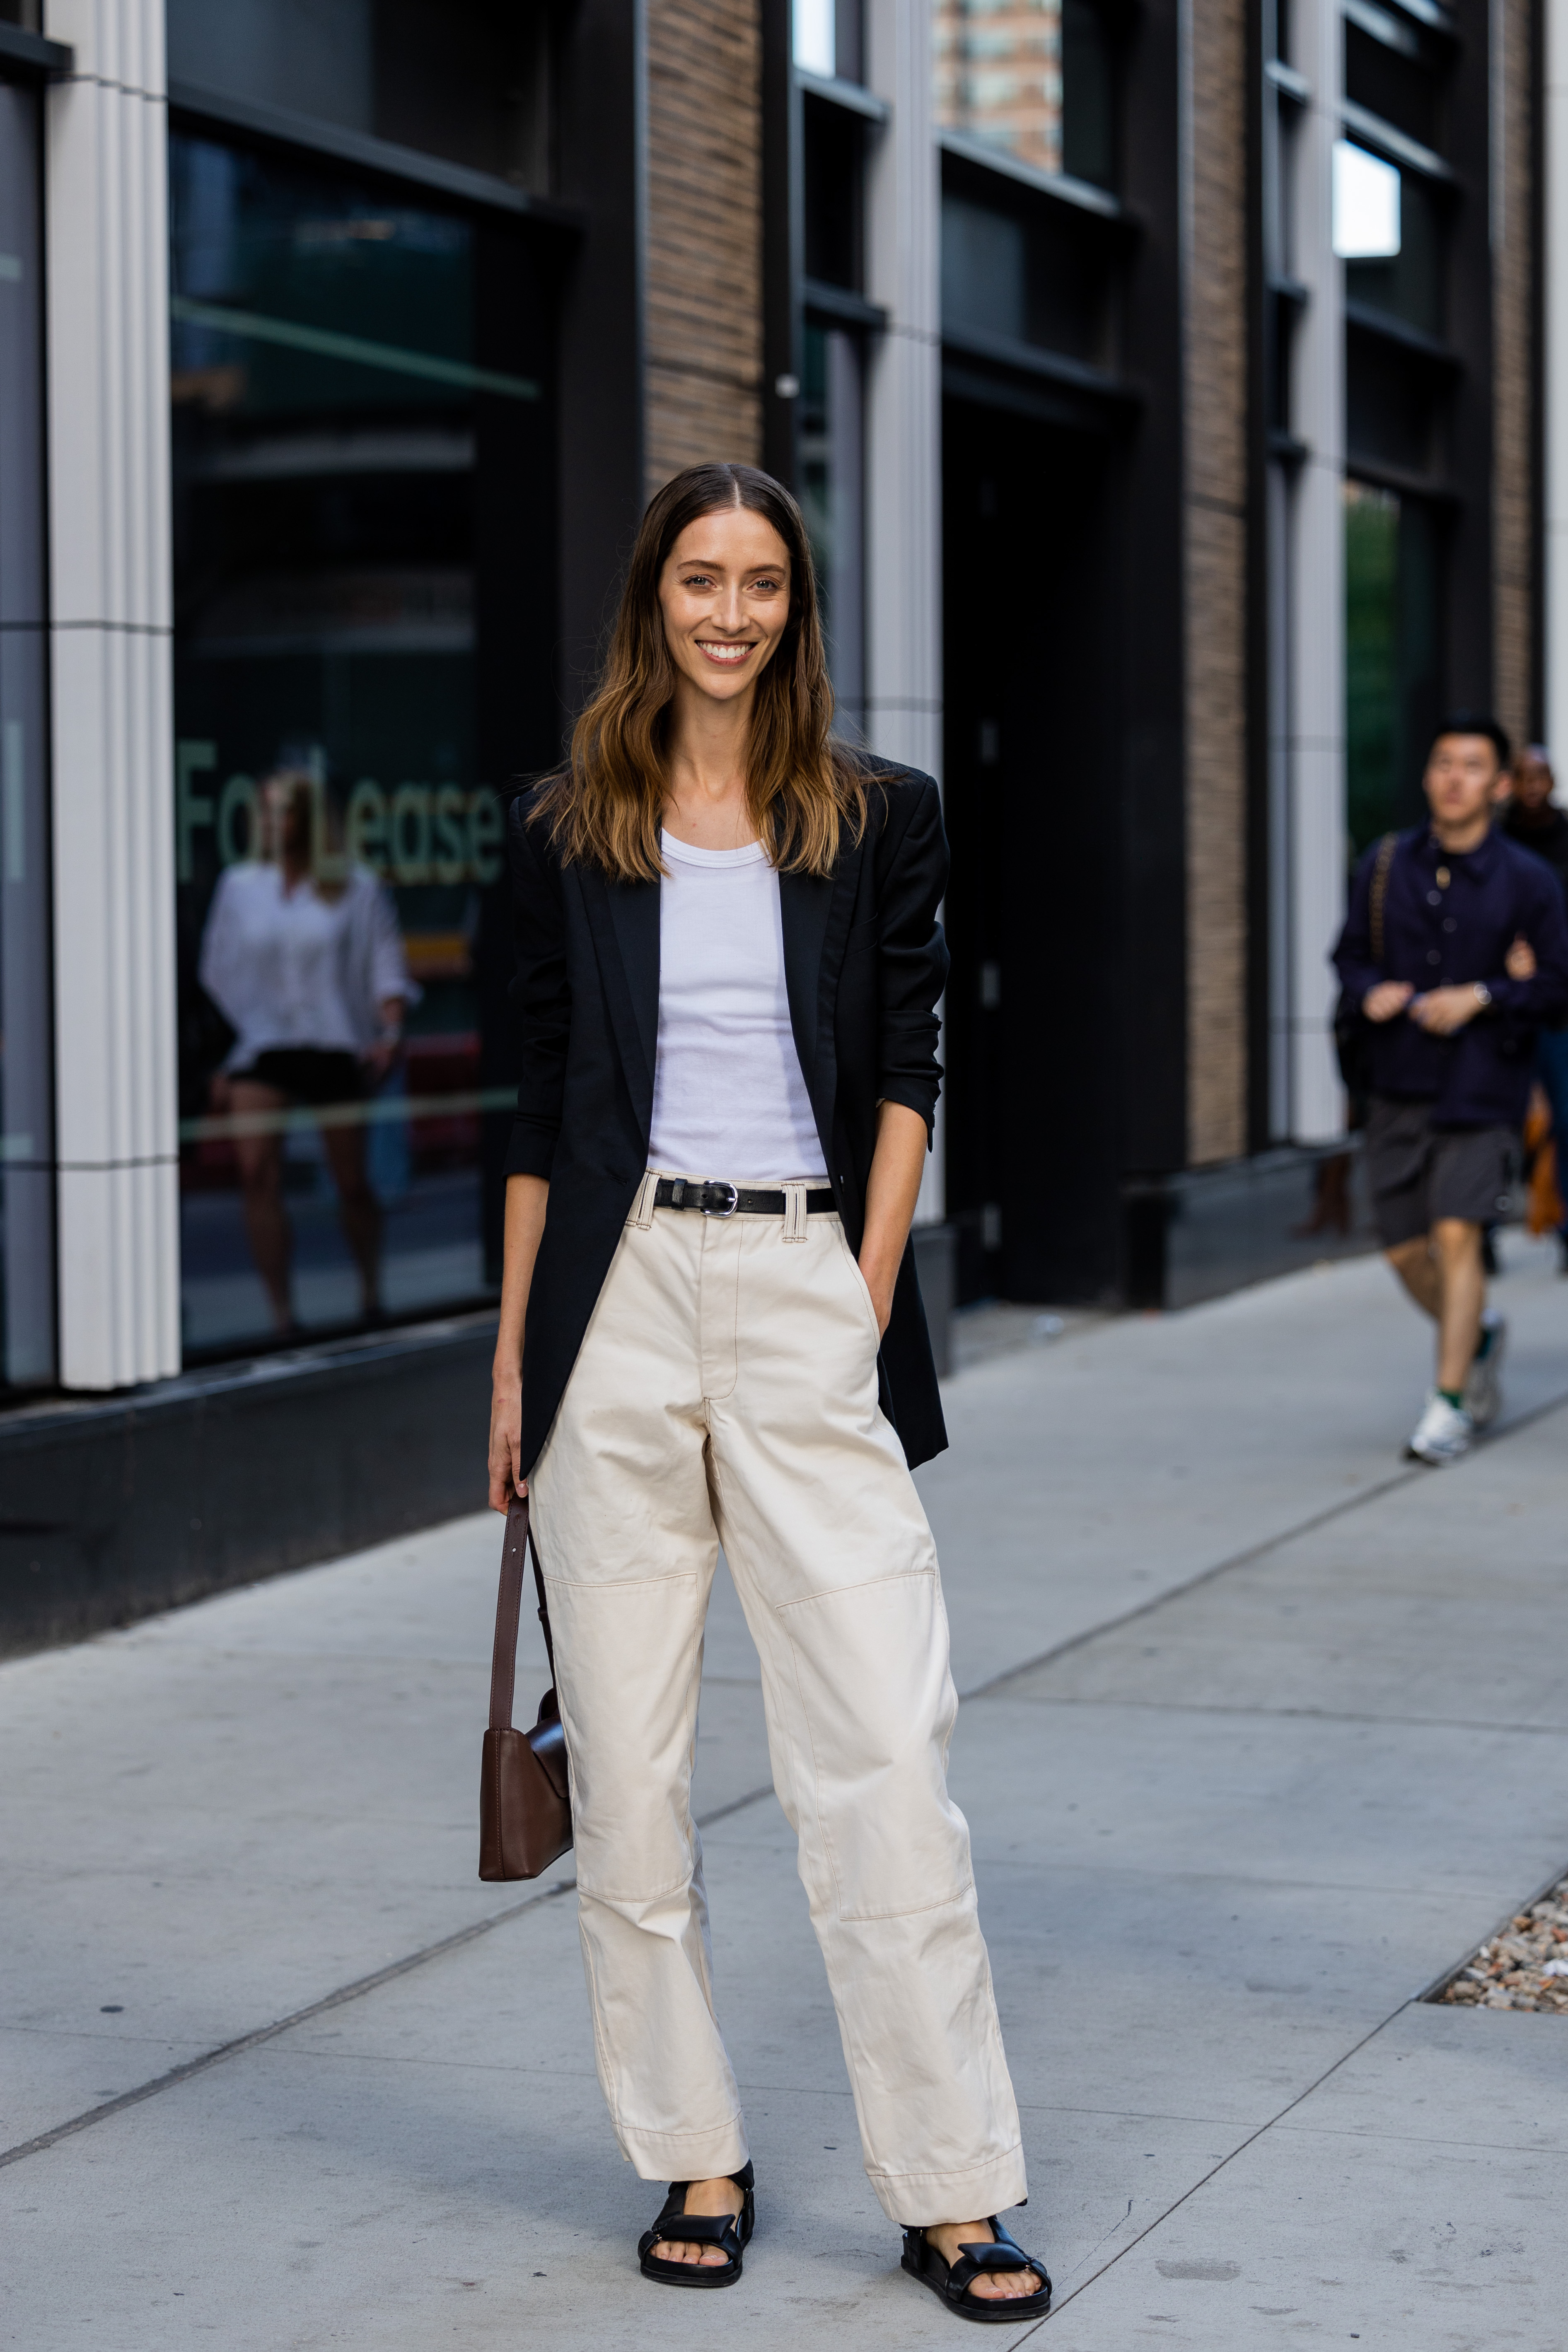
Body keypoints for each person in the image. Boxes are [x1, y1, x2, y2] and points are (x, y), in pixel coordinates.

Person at [486, 463, 1049, 2321]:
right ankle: (693, 2150)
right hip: (617, 1300)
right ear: (652, 596)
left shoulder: (877, 814)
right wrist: (515, 1364)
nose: (729, 612)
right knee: (634, 1783)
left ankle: (950, 2181)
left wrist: (862, 1293)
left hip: (809, 1275)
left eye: (763, 585)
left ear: (796, 608)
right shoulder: (571, 823)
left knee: (886, 1753)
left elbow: (911, 1059)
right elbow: (531, 1107)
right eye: (699, 580)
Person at [1333, 714, 1568, 1463]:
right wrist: (1371, 990)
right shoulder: (1383, 864)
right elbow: (1351, 956)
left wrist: (1485, 996)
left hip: (1483, 1084)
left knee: (1461, 1234)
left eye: (1472, 765)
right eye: (1443, 763)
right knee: (1406, 1251)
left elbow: (1558, 987)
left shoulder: (1531, 882)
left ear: (1499, 785)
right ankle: (1481, 1334)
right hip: (1397, 1081)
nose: (1454, 777)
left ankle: (1449, 1402)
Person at [199, 769, 415, 1332]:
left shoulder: (356, 885)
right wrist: (224, 1057)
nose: (270, 822)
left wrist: (389, 1034)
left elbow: (385, 967)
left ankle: (370, 1289)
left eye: (283, 811)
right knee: (256, 1176)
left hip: (335, 1045)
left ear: (309, 820)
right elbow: (217, 972)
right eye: (264, 811)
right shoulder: (239, 886)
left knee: (351, 1183)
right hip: (262, 1047)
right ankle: (281, 1316)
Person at [1500, 744, 1568, 1270]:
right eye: (1522, 776)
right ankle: (1479, 1227)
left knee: (1564, 1119)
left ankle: (1566, 1228)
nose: (1531, 785)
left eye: (1538, 776)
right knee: (1496, 1119)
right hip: (1499, 1002)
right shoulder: (1492, 842)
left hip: (1558, 1003)